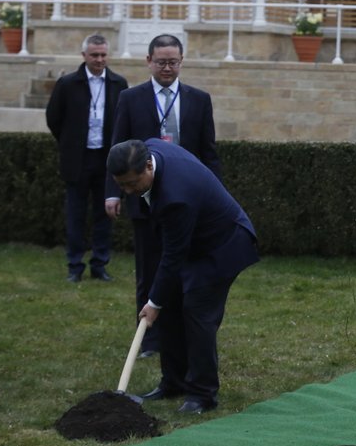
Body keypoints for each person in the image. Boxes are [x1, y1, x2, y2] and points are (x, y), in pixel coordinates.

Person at [107, 139, 258, 414]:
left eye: (132, 183)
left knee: (197, 311)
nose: (129, 191)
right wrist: (159, 301)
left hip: (223, 245)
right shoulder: (150, 147)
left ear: (149, 166)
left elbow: (173, 256)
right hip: (194, 242)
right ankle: (173, 382)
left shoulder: (176, 197)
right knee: (171, 305)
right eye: (123, 186)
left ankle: (202, 395)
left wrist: (152, 304)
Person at [106, 34, 221, 357]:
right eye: (161, 62)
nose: (167, 68)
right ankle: (149, 339)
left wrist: (218, 192)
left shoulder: (199, 99)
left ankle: (181, 333)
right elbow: (117, 147)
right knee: (149, 269)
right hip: (144, 201)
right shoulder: (131, 98)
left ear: (181, 62)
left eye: (173, 62)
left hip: (186, 202)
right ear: (148, 62)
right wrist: (112, 193)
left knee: (184, 268)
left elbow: (208, 153)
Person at [45, 33, 129, 283]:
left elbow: (125, 118)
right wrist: (70, 143)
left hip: (107, 160)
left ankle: (100, 264)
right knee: (76, 214)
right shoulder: (68, 84)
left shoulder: (118, 83)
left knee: (106, 213)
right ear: (84, 56)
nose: (99, 59)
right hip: (78, 160)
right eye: (94, 55)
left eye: (103, 55)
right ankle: (74, 265)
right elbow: (54, 118)